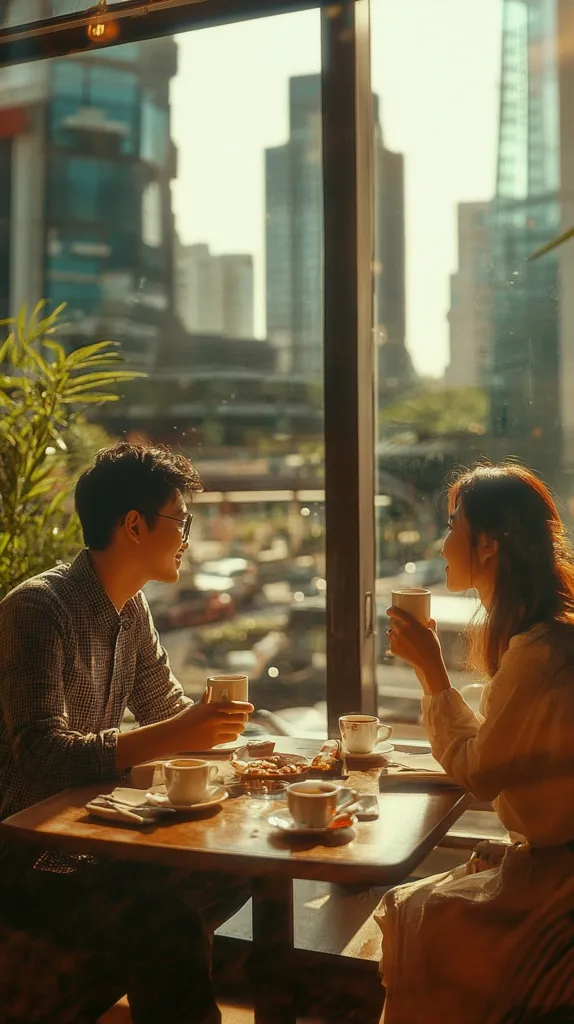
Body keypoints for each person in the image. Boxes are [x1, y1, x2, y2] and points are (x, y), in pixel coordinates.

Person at [0, 442, 254, 1024]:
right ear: (135, 526)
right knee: (165, 922)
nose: (187, 537)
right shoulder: (38, 608)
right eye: (180, 520)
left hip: (94, 838)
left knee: (236, 869)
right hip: (27, 854)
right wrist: (182, 730)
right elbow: (41, 755)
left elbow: (167, 708)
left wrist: (248, 749)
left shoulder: (131, 609)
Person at [375, 463, 574, 1024]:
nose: (442, 546)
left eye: (451, 526)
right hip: (552, 863)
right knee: (409, 906)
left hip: (557, 881)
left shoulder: (539, 652)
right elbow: (495, 750)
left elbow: (480, 774)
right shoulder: (545, 637)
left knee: (417, 915)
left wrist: (431, 672)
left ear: (487, 544)